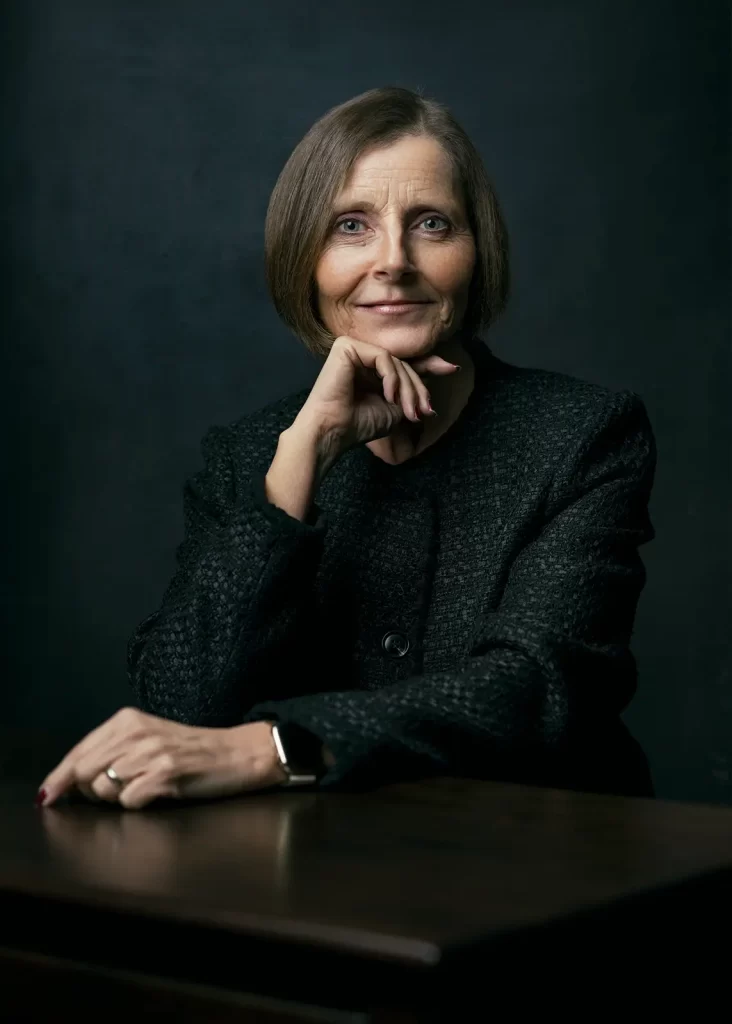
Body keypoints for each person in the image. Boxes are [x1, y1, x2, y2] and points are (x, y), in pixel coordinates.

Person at [36, 86, 656, 810]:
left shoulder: (582, 433)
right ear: (306, 260)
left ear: (476, 252)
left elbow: (537, 689)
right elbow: (184, 703)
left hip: (532, 865)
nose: (393, 261)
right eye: (351, 227)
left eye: (431, 223)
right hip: (311, 877)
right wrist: (301, 457)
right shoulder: (250, 454)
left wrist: (275, 746)